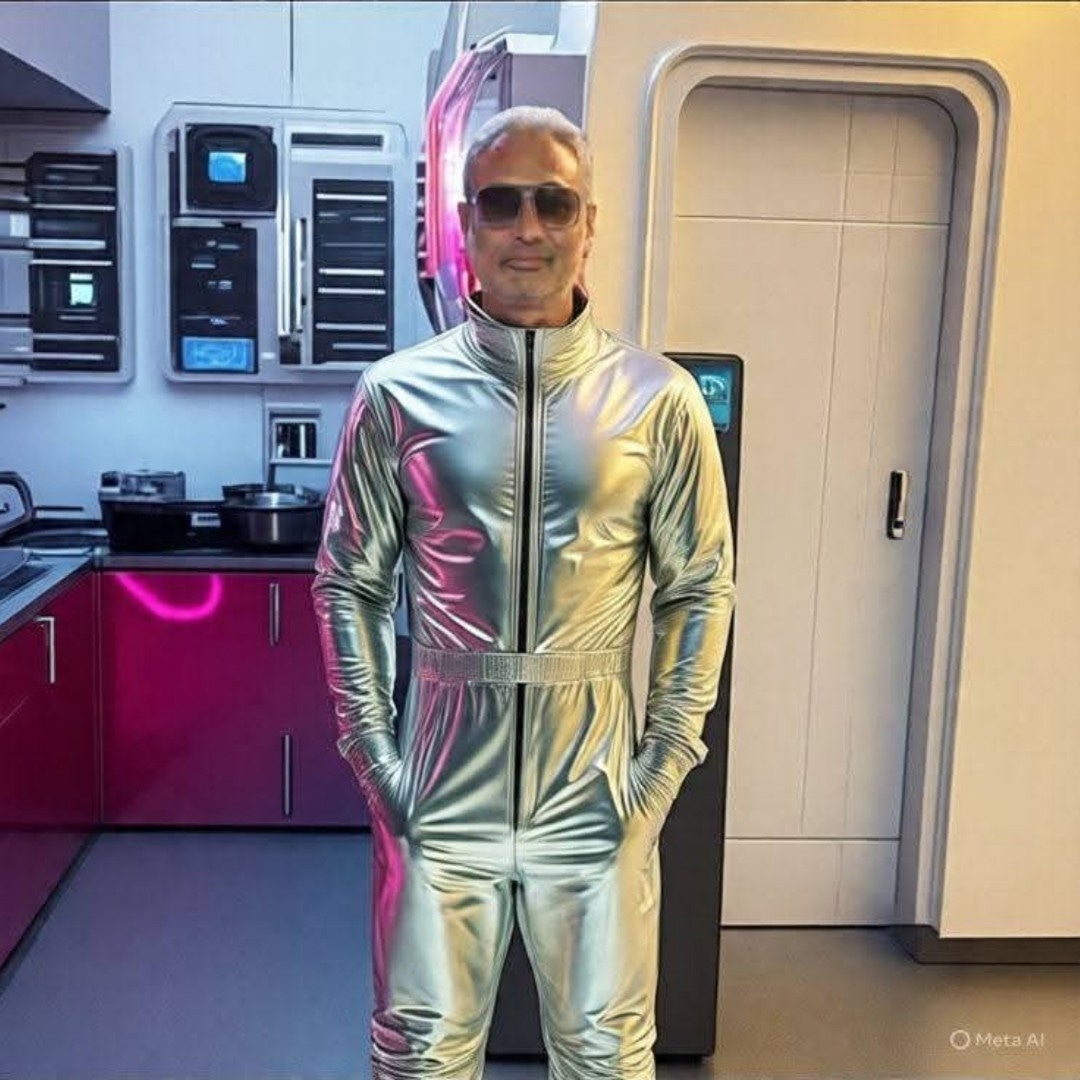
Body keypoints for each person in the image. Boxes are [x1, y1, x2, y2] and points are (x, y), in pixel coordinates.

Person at [312, 105, 736, 1080]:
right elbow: (349, 584)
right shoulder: (397, 395)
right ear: (466, 223)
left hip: (596, 793)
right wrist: (378, 765)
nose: (529, 229)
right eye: (502, 204)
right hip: (438, 788)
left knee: (605, 1056)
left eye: (555, 203)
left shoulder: (656, 399)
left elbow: (699, 589)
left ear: (590, 223)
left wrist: (658, 772)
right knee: (419, 1054)